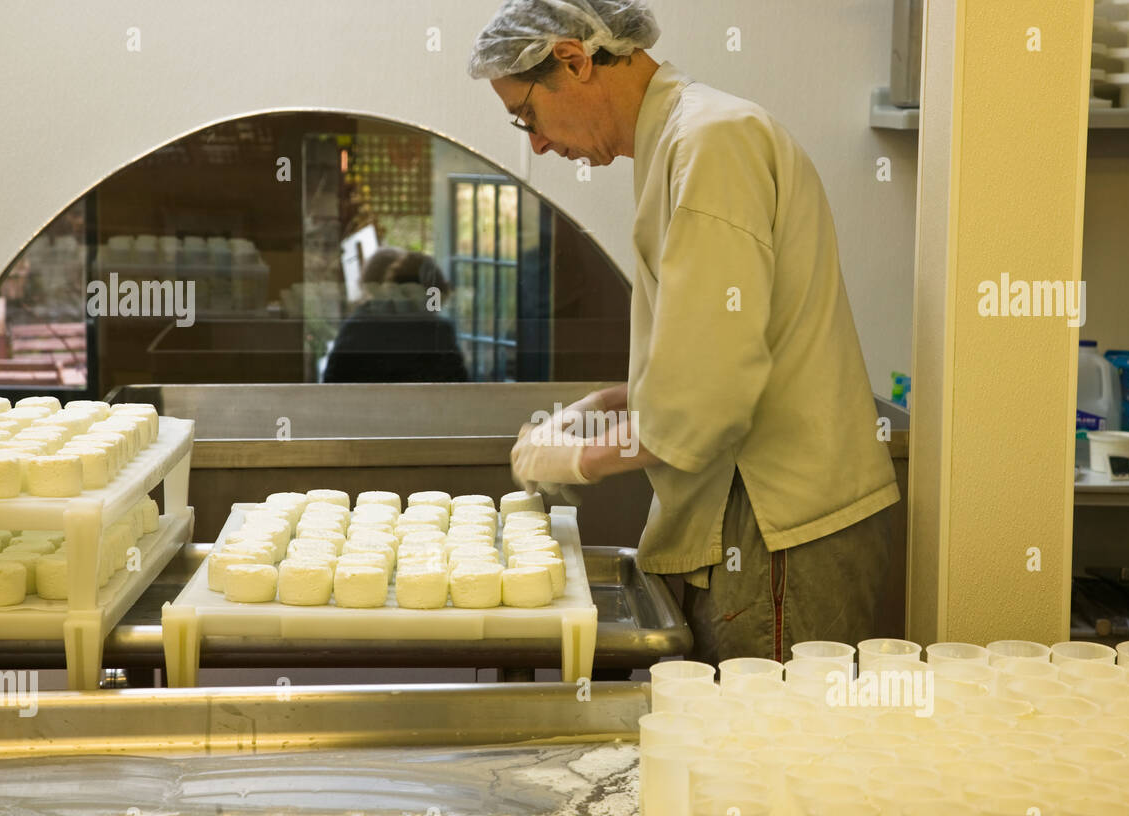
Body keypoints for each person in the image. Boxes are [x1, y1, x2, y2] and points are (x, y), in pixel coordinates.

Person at [469, 0, 900, 665]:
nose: (538, 143)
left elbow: (707, 393)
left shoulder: (711, 141)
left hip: (778, 526)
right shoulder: (679, 140)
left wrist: (581, 460)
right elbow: (706, 346)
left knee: (765, 753)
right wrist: (607, 406)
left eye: (526, 115)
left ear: (574, 60)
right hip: (748, 519)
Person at [323, 249, 468, 383]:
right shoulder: (436, 331)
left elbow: (331, 383)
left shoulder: (356, 326)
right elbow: (459, 387)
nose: (435, 309)